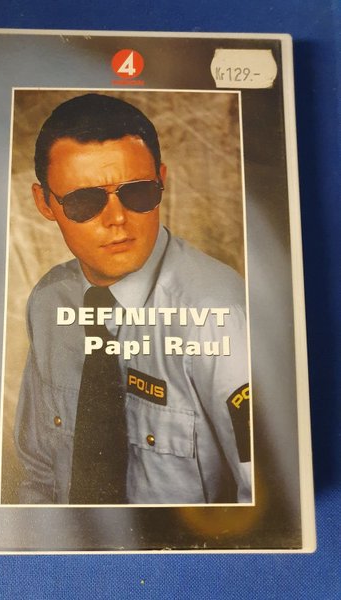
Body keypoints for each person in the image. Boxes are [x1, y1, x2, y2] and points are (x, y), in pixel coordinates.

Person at [14, 93, 251, 505]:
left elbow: (264, 500)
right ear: (45, 203)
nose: (117, 218)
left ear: (162, 180)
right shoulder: (50, 302)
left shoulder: (217, 316)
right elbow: (36, 475)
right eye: (84, 201)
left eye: (138, 192)